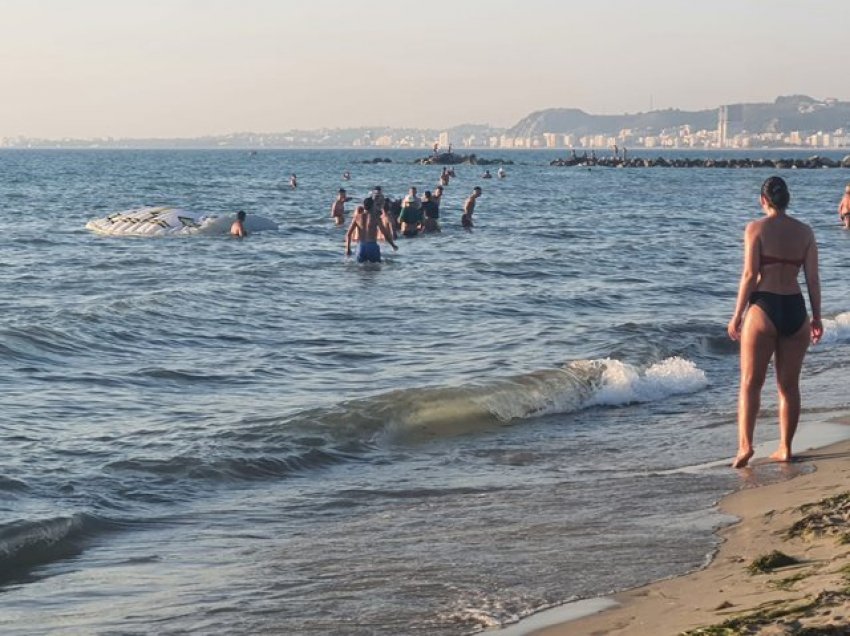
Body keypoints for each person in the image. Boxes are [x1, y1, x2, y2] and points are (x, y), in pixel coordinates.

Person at [727, 176, 822, 469]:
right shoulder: (805, 232)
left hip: (763, 308)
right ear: (787, 199)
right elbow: (812, 278)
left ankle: (745, 446)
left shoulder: (755, 229)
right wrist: (817, 316)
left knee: (750, 384)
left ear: (763, 200)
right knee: (789, 386)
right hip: (795, 309)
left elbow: (749, 276)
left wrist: (737, 315)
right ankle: (785, 447)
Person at [345, 198, 398, 263]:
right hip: (372, 246)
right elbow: (385, 233)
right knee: (376, 269)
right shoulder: (376, 217)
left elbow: (348, 234)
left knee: (360, 270)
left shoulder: (357, 217)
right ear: (372, 206)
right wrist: (393, 245)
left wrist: (348, 249)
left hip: (361, 247)